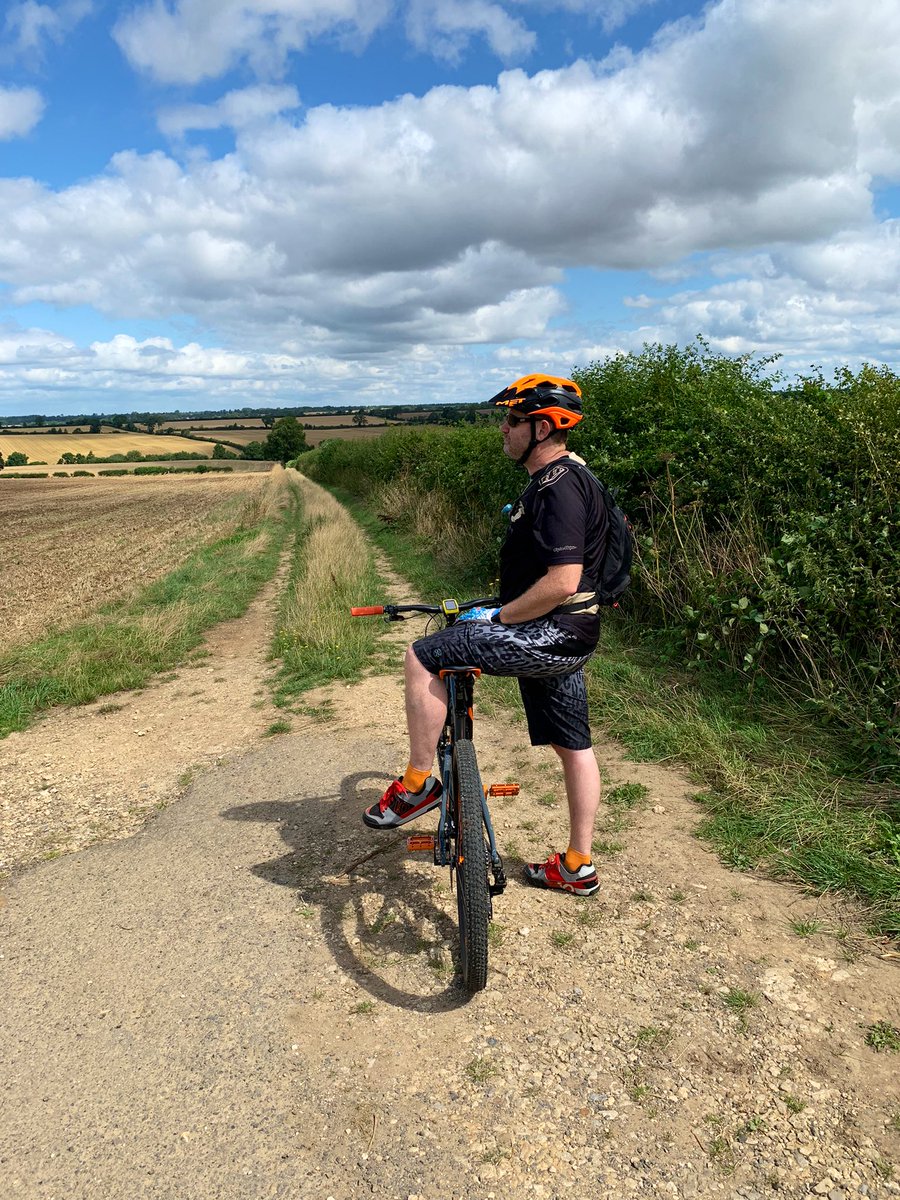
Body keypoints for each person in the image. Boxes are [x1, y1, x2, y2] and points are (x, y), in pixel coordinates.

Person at [363, 374, 609, 897]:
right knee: (574, 745)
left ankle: (417, 784)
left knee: (422, 654)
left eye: (512, 421)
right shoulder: (574, 475)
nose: (503, 429)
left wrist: (501, 619)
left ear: (542, 428)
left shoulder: (558, 488)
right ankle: (577, 865)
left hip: (550, 632)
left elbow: (562, 581)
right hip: (574, 635)